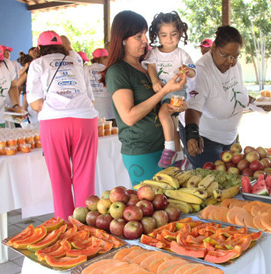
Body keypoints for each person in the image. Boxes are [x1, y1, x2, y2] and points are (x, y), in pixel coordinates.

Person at [100, 10, 187, 186]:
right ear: (123, 39)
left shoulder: (146, 67)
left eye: (145, 35)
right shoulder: (118, 71)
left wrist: (177, 105)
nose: (145, 41)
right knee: (150, 206)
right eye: (138, 36)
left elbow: (159, 105)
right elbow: (129, 117)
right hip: (142, 151)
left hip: (164, 148)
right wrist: (164, 92)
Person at [27, 30, 99, 220]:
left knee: (59, 177)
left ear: (40, 48)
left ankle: (65, 225)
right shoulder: (77, 61)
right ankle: (86, 226)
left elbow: (35, 104)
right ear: (61, 46)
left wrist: (54, 108)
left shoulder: (37, 64)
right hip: (85, 120)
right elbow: (91, 100)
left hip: (54, 123)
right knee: (85, 175)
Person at [179, 25, 271, 169]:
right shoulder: (202, 71)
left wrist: (258, 104)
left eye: (235, 56)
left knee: (232, 180)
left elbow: (240, 94)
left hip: (230, 137)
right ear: (214, 47)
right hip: (204, 138)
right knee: (214, 182)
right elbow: (193, 108)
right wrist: (192, 134)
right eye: (225, 55)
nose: (230, 61)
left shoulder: (235, 65)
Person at [144, 11, 196, 169]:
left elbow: (194, 72)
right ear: (157, 35)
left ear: (180, 33)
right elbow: (151, 66)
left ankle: (169, 149)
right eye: (164, 35)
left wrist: (187, 70)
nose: (169, 39)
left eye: (173, 34)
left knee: (164, 113)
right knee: (172, 122)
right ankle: (181, 157)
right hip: (162, 92)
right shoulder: (153, 53)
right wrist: (155, 81)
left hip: (176, 92)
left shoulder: (182, 54)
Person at [84, 48, 115, 123]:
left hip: (92, 106)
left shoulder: (85, 69)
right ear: (103, 58)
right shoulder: (109, 69)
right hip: (108, 107)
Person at [16, 52, 38, 123]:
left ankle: (24, 112)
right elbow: (18, 83)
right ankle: (24, 112)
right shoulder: (27, 69)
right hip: (27, 87)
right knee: (25, 97)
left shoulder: (34, 67)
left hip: (32, 92)